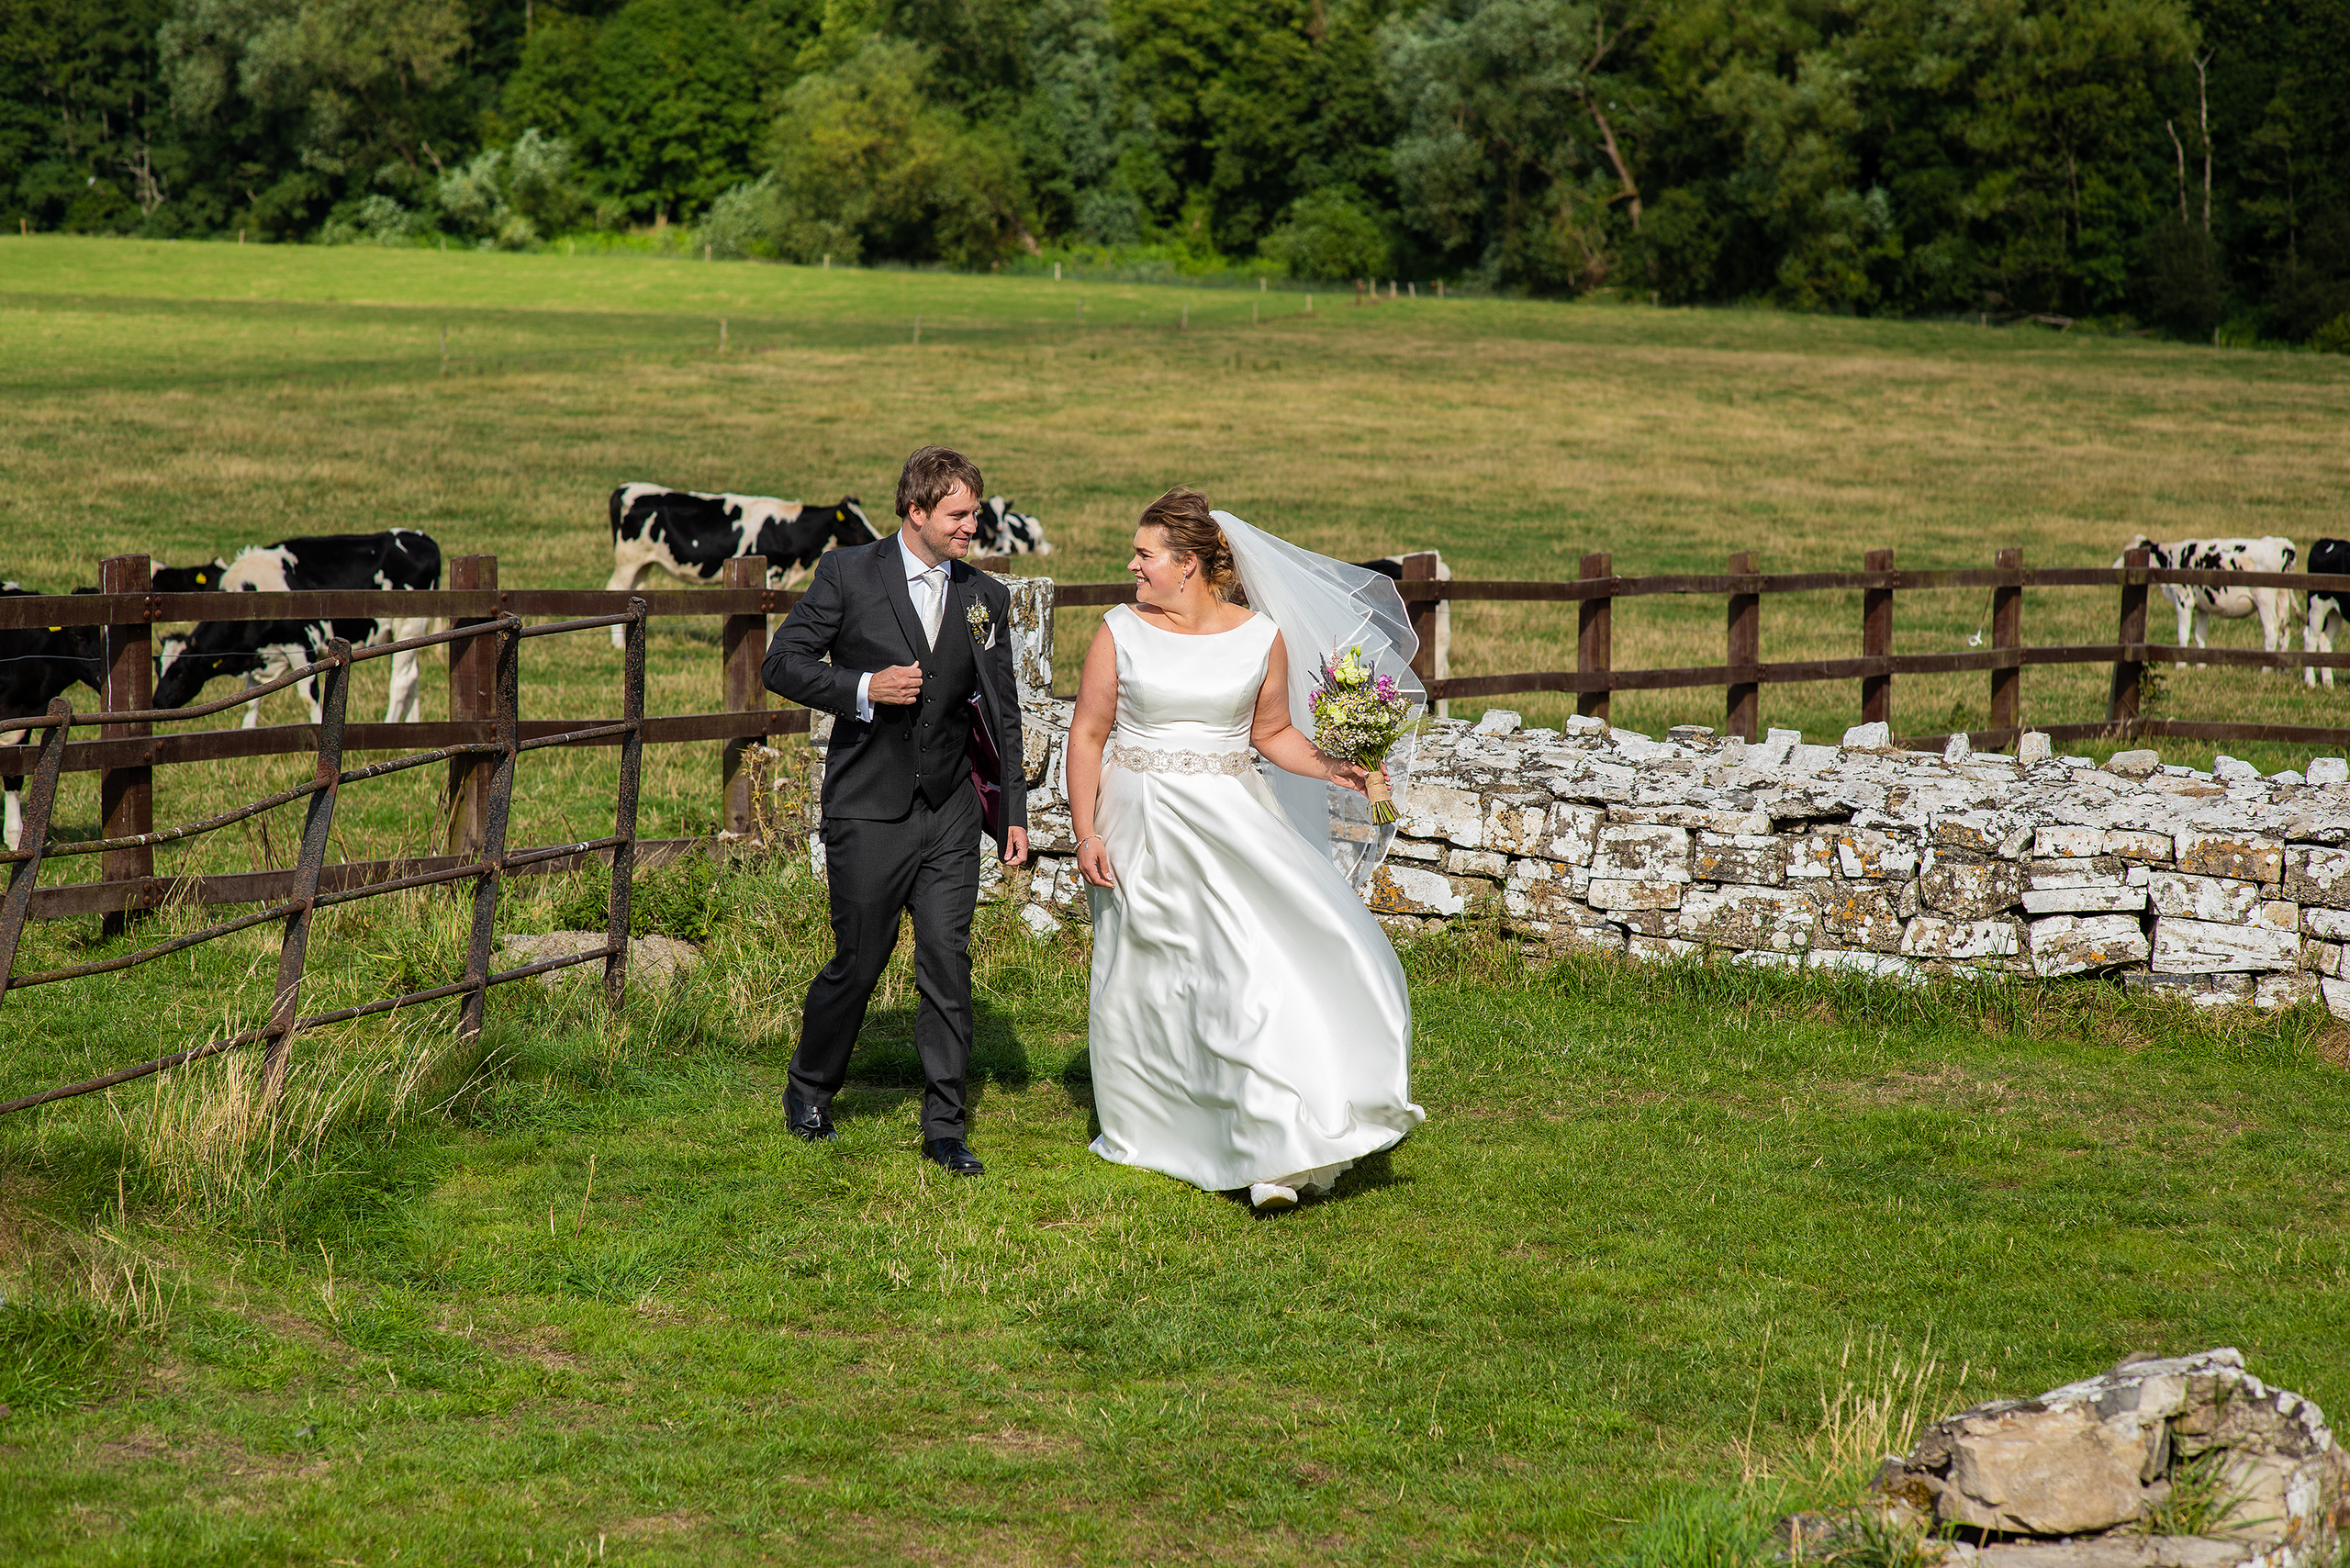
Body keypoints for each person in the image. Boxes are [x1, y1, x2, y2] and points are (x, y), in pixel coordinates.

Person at [1064, 487, 1425, 1212]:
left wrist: (1338, 769)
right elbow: (1088, 735)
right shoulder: (1118, 631)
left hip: (1231, 821)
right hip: (1140, 824)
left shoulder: (1260, 637)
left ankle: (1273, 1141)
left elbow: (1272, 735)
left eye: (1144, 555)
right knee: (1157, 974)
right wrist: (1085, 831)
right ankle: (1157, 1124)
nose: (1131, 566)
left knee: (1244, 967)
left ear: (1187, 564)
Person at [763, 446, 1029, 1176]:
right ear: (916, 513)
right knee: (859, 961)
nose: (974, 526)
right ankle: (810, 1089)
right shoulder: (848, 574)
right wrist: (862, 687)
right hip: (868, 809)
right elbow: (781, 663)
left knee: (949, 962)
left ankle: (946, 1127)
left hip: (947, 813)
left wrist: (1013, 810)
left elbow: (1002, 708)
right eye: (960, 514)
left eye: (975, 512)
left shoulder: (985, 597)